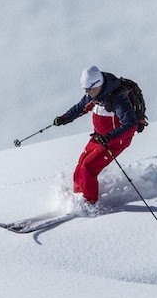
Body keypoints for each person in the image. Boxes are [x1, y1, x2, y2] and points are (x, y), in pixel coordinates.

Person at [53, 66, 138, 205]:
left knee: (88, 167)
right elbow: (80, 107)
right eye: (85, 89)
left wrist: (110, 137)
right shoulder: (95, 94)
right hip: (100, 137)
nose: (86, 92)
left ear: (97, 84)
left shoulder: (119, 98)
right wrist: (64, 118)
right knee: (81, 163)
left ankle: (89, 203)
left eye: (88, 89)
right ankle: (78, 196)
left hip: (115, 141)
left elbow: (130, 124)